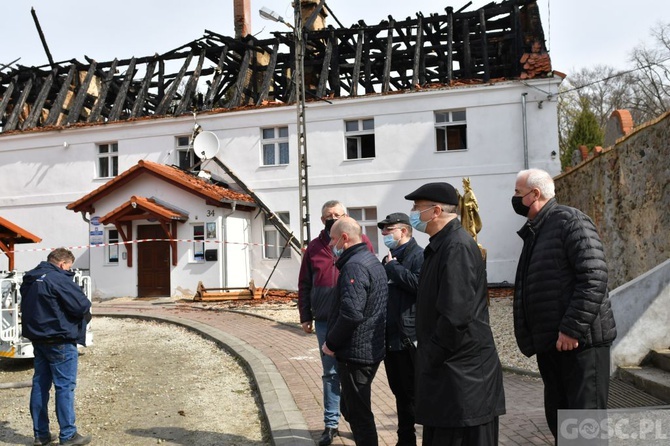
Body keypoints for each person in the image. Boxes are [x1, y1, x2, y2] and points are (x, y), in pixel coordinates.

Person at [511, 168, 617, 441]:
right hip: (554, 348)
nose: (513, 198)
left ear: (535, 194)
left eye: (517, 193)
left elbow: (594, 276)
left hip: (580, 347)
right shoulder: (539, 230)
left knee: (584, 431)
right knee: (562, 428)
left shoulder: (570, 221)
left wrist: (571, 328)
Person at [405, 182, 505, 446]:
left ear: (436, 211)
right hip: (450, 378)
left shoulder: (456, 247)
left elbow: (455, 315)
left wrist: (430, 355)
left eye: (417, 207)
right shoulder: (441, 245)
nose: (413, 213)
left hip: (463, 380)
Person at [298, 200, 374, 445]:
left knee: (354, 372)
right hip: (325, 319)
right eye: (329, 215)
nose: (333, 217)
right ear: (322, 220)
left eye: (338, 214)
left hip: (353, 319)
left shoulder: (363, 243)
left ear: (346, 217)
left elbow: (371, 277)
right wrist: (305, 315)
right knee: (330, 373)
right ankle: (330, 424)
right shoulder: (314, 248)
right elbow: (304, 283)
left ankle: (355, 418)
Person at [322, 217, 388, 446]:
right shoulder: (370, 259)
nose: (331, 245)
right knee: (351, 406)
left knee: (360, 416)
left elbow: (351, 313)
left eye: (332, 239)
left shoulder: (355, 265)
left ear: (345, 238)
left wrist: (330, 343)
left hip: (356, 353)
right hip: (368, 347)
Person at [20, 248, 92, 446]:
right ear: (62, 264)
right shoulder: (57, 279)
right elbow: (81, 305)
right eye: (69, 266)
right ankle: (68, 435)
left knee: (40, 385)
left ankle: (40, 434)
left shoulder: (31, 278)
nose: (69, 270)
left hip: (38, 339)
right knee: (64, 387)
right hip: (59, 340)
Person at [377, 212, 423, 446]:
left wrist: (394, 268)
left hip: (409, 337)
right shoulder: (389, 257)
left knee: (414, 394)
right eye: (383, 230)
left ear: (403, 231)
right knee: (399, 392)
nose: (384, 234)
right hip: (391, 337)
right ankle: (405, 439)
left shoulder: (418, 255)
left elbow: (419, 286)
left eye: (388, 229)